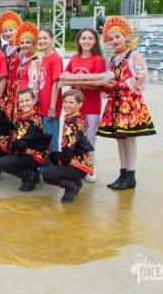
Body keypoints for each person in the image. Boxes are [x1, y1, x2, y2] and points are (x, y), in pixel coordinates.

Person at [97, 16, 156, 190]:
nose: (115, 41)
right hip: (116, 102)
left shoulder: (134, 56)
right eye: (111, 38)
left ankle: (130, 175)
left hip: (129, 102)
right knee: (120, 139)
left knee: (129, 139)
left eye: (117, 37)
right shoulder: (111, 61)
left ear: (124, 36)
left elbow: (142, 79)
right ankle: (123, 174)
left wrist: (120, 84)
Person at [64, 28, 106, 183]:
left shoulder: (98, 60)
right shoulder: (74, 58)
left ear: (95, 41)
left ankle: (90, 169)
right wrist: (82, 81)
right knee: (73, 138)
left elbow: (99, 83)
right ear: (79, 40)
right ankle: (75, 167)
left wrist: (79, 81)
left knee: (89, 139)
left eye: (90, 38)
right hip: (74, 106)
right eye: (84, 38)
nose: (86, 41)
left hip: (91, 106)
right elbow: (65, 76)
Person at [42, 90, 94, 203]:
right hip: (80, 159)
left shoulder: (72, 123)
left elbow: (68, 148)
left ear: (79, 104)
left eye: (71, 102)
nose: (66, 105)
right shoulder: (75, 117)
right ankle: (76, 181)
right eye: (65, 102)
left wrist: (65, 163)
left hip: (79, 165)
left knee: (48, 175)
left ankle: (70, 187)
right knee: (54, 155)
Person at [0, 88, 51, 191]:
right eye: (21, 101)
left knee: (2, 162)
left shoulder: (32, 120)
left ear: (34, 101)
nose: (24, 103)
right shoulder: (29, 115)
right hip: (37, 152)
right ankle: (32, 172)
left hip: (36, 155)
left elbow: (18, 141)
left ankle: (32, 178)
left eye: (27, 100)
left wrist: (24, 150)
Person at [37, 28, 62, 172]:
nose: (42, 41)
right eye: (39, 38)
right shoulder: (43, 58)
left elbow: (56, 84)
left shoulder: (55, 58)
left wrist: (52, 107)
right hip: (42, 105)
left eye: (45, 38)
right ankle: (45, 167)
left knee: (51, 139)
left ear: (52, 39)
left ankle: (52, 170)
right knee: (43, 138)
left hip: (50, 107)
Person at [6, 22, 41, 124]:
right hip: (18, 96)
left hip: (27, 99)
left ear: (34, 44)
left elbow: (35, 86)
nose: (24, 45)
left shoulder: (36, 61)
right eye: (22, 43)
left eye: (28, 42)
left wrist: (31, 102)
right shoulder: (24, 58)